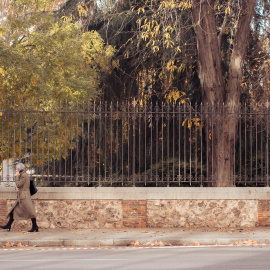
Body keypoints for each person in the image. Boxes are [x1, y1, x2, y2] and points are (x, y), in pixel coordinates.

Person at [0, 163, 38, 232]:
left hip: (24, 197)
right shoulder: (23, 175)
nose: (15, 170)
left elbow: (18, 184)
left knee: (31, 212)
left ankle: (35, 226)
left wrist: (16, 176)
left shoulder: (23, 175)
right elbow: (20, 186)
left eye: (16, 169)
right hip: (22, 196)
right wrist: (17, 188)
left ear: (19, 169)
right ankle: (8, 225)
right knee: (13, 211)